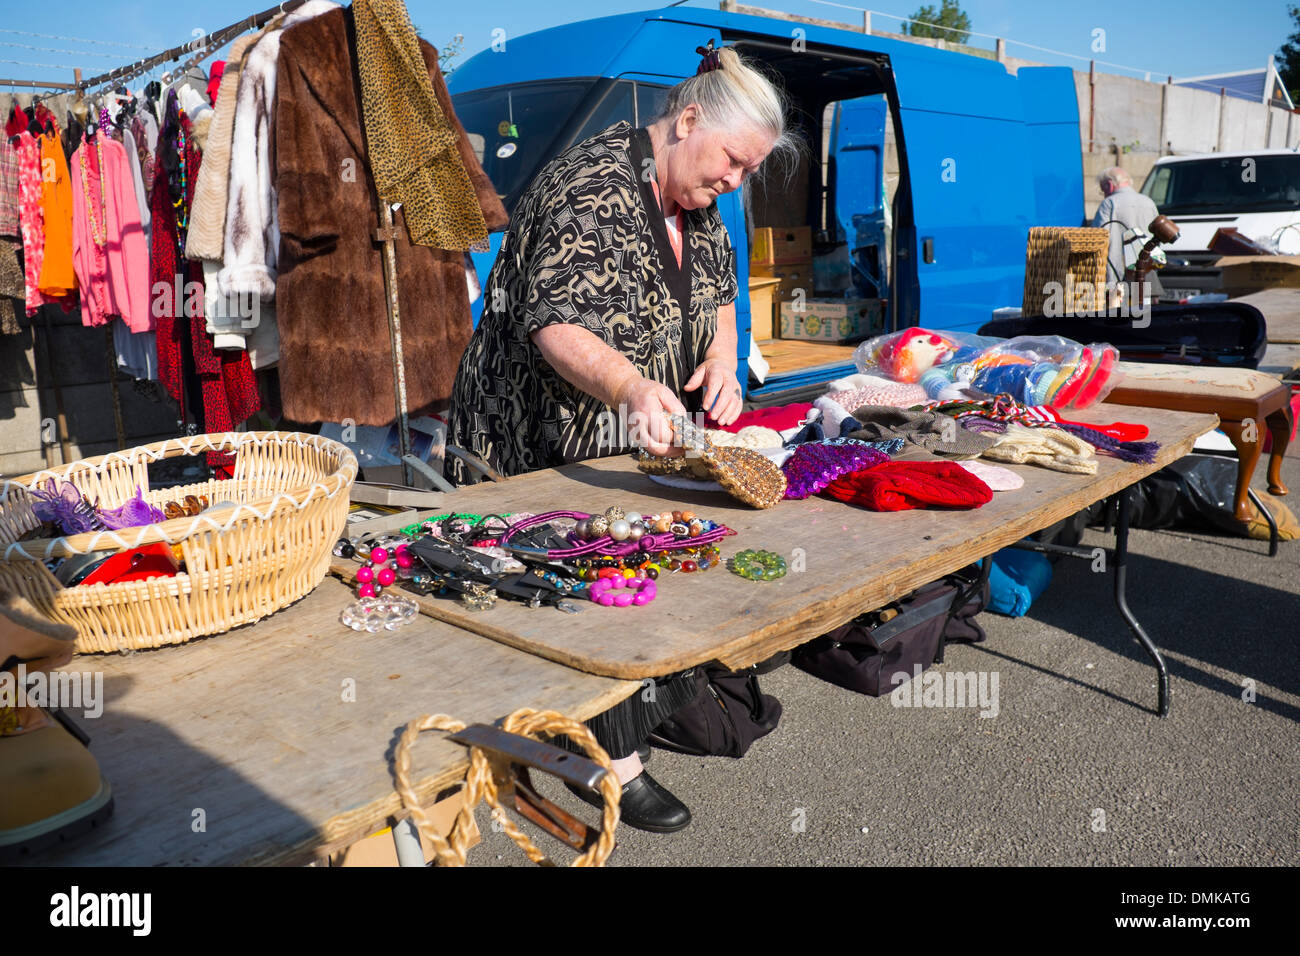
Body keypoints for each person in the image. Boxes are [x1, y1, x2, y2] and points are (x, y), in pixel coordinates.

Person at [444, 46, 797, 832]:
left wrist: (719, 358)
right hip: (533, 440)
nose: (735, 181)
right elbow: (555, 324)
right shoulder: (590, 183)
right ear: (689, 119)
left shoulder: (700, 205)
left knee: (631, 574)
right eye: (733, 161)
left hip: (621, 444)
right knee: (576, 584)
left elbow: (721, 296)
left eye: (748, 170)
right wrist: (634, 386)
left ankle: (620, 715)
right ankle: (607, 763)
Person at [1091, 166, 1161, 303]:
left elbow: (1097, 239)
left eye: (1102, 190)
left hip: (1119, 276)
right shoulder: (1149, 202)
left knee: (1120, 320)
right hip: (1147, 274)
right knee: (1145, 319)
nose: (1104, 194)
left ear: (1110, 184)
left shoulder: (1109, 203)